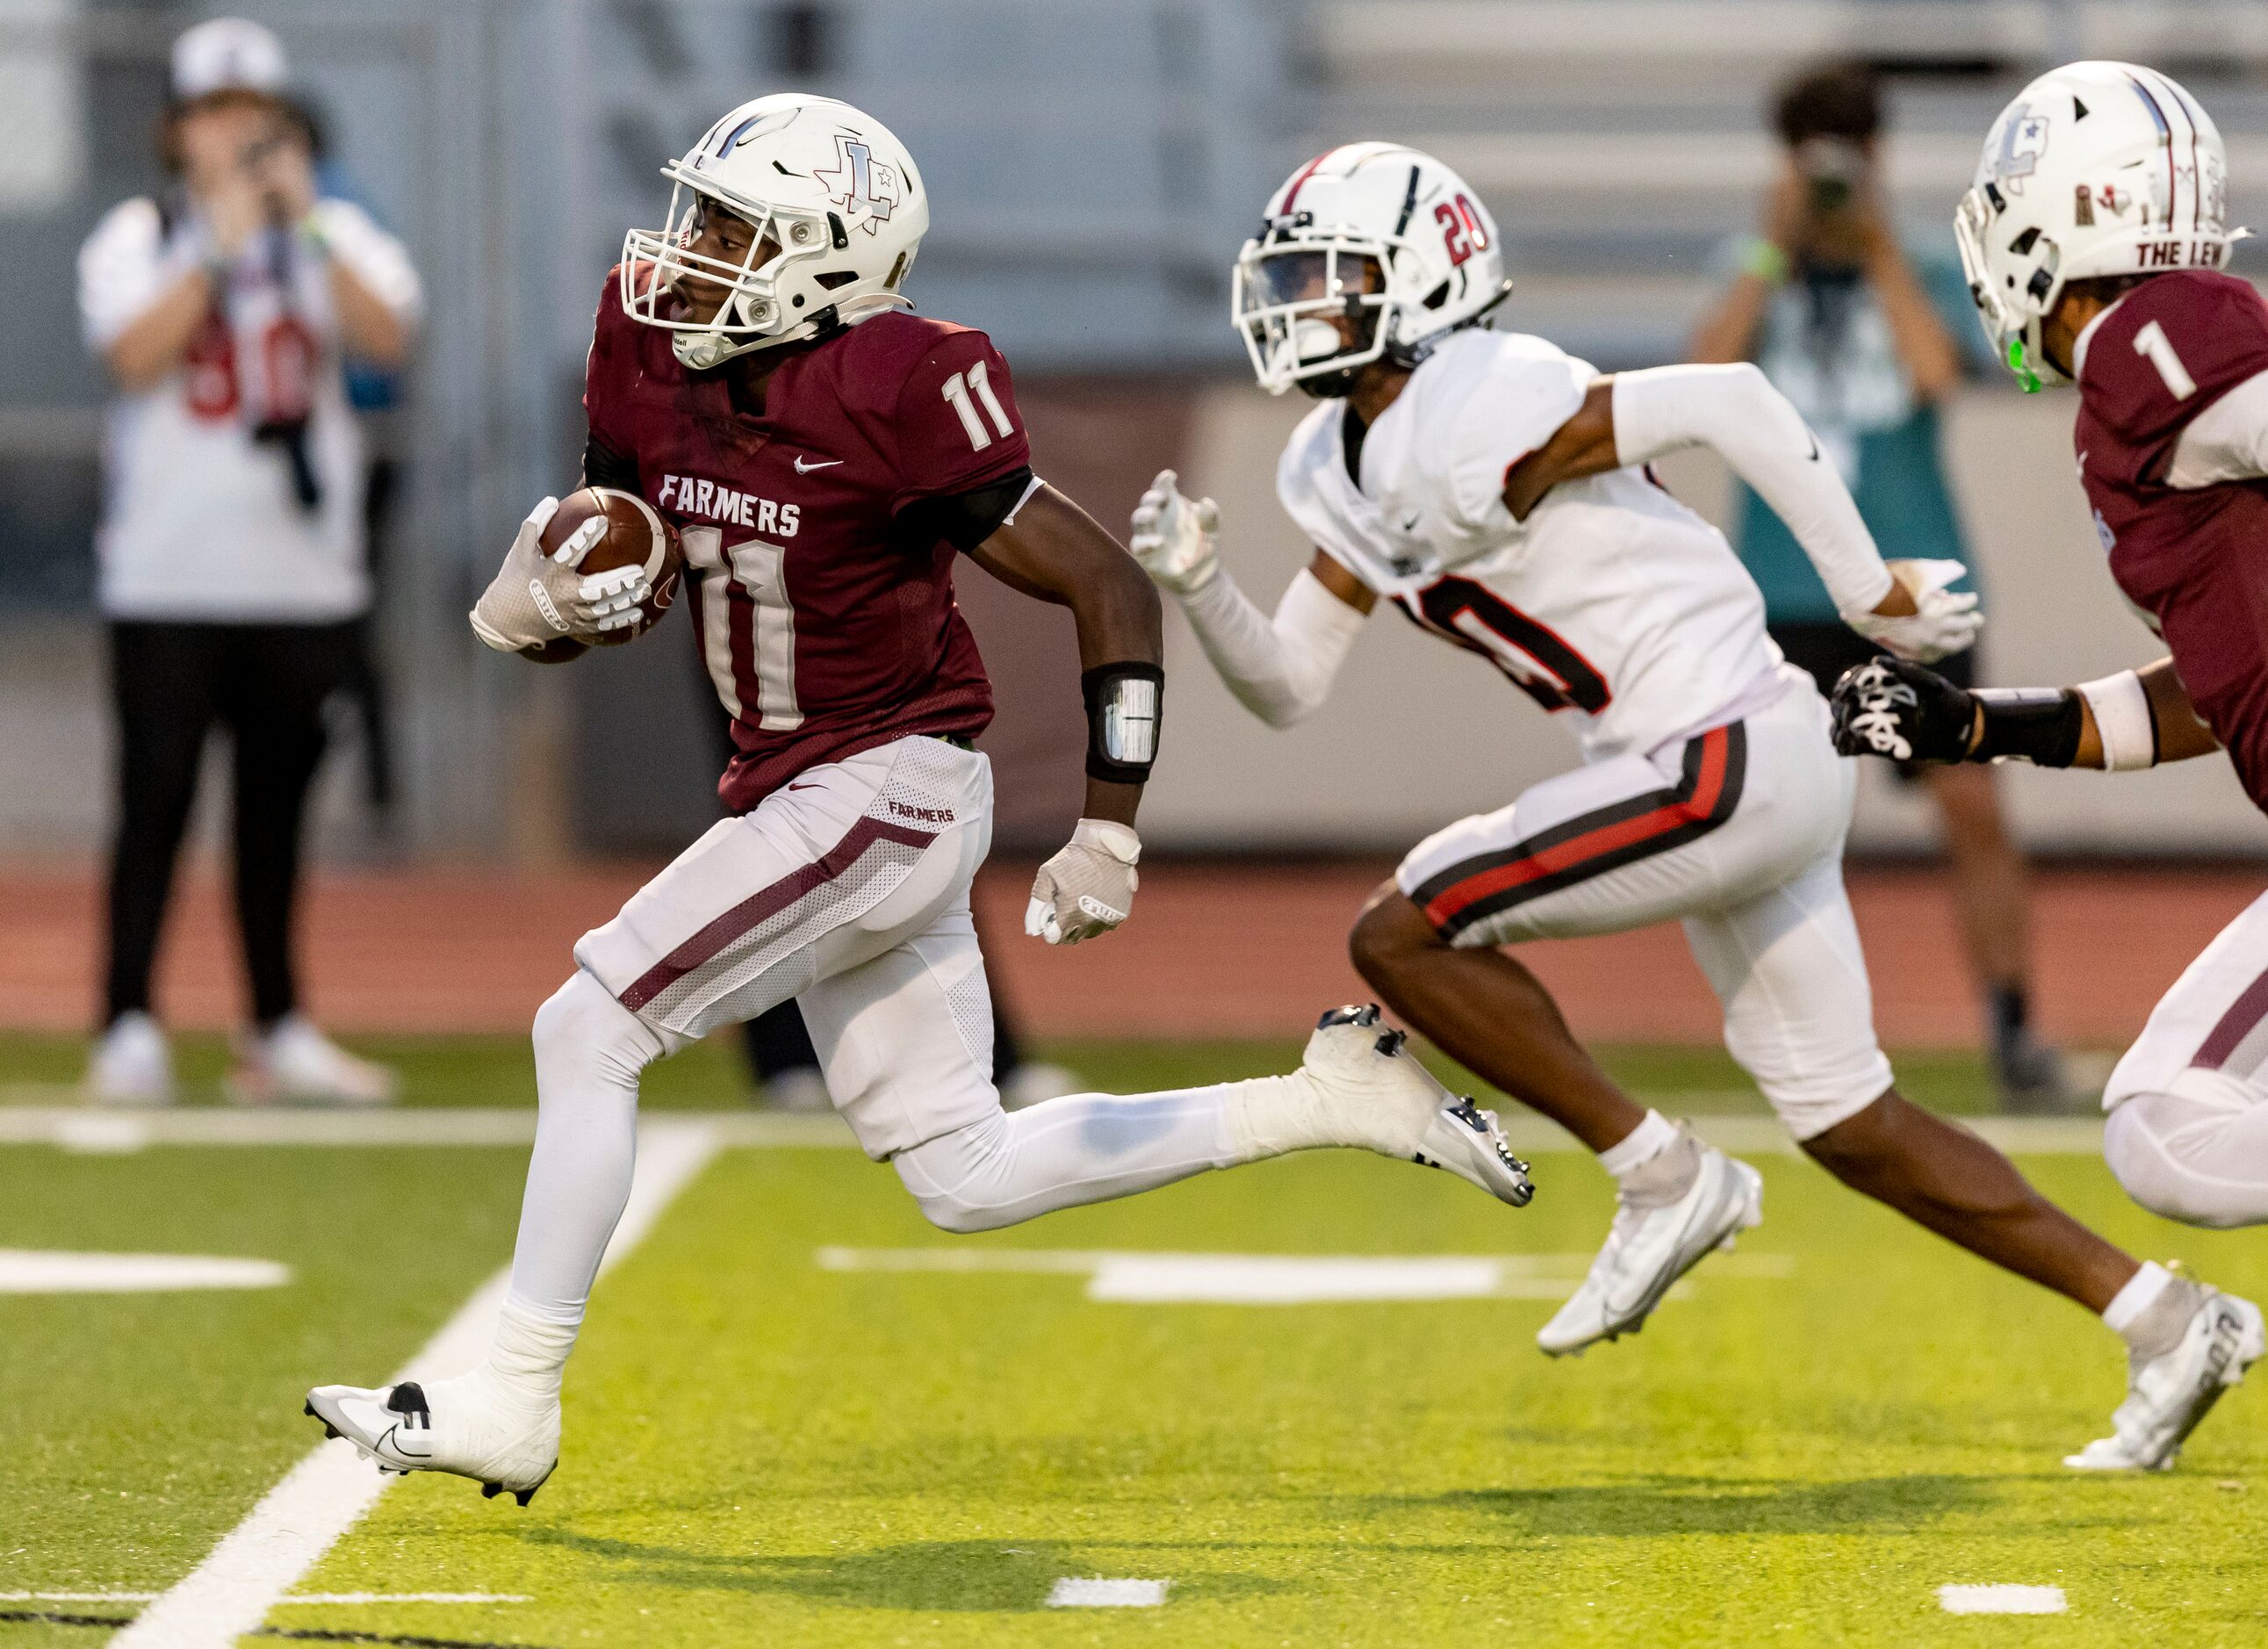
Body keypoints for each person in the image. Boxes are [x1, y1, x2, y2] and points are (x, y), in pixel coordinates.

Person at [306, 96, 1537, 1501]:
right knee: (963, 1170)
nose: (685, 250)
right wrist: (563, 603)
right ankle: (1320, 1101)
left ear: (827, 259)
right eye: (695, 213)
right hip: (806, 785)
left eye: (730, 227)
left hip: (883, 781)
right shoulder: (647, 339)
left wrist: (1108, 820)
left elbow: (1103, 581)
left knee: (586, 1023)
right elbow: (633, 537)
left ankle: (515, 1395)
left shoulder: (902, 381)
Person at [1132, 140, 2254, 1471]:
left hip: (1717, 746)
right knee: (1851, 1124)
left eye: (1330, 276)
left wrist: (1861, 591)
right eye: (1295, 275)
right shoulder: (1334, 458)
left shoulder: (1478, 394)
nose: (1298, 300)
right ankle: (2161, 1318)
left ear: (1422, 280)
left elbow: (1724, 396)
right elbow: (1290, 684)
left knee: (1399, 931)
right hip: (1711, 758)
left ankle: (1662, 1173)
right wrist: (1200, 590)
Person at [1832, 62, 2268, 1426]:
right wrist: (1983, 722)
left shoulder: (2154, 341)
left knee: (2161, 1120)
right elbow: (2211, 688)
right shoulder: (2152, 379)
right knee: (2161, 1116)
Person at [1688, 61, 2070, 1110]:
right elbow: (1700, 369)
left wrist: (1879, 246)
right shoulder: (1749, 268)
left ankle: (2013, 1030)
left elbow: (1938, 373)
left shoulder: (1929, 268)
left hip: (1913, 587)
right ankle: (1785, 1039)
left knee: (1972, 801)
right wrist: (1773, 250)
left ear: (1879, 159)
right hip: (1778, 591)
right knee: (1760, 823)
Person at [76, 18, 421, 1106]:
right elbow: (136, 353)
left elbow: (387, 339)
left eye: (254, 116)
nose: (236, 137)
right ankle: (126, 1021)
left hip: (301, 578)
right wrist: (218, 242)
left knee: (276, 811)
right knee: (155, 801)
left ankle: (276, 1023)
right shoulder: (136, 234)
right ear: (178, 131)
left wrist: (302, 222)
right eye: (215, 116)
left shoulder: (333, 234)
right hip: (167, 577)